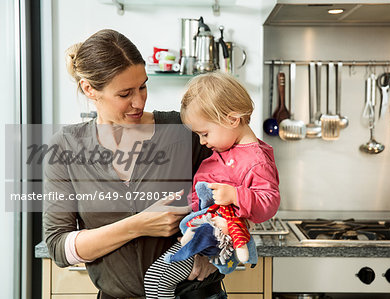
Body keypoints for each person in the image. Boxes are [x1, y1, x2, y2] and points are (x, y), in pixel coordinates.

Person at [43, 29, 225, 299]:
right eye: (125, 93)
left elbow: (243, 184)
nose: (139, 101)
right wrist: (138, 224)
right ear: (89, 89)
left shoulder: (184, 131)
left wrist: (215, 248)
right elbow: (59, 247)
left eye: (143, 86)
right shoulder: (66, 147)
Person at [144, 72, 280, 299]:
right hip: (203, 231)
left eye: (204, 133)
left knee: (156, 279)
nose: (202, 142)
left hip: (219, 237)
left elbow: (270, 201)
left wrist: (236, 195)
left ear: (232, 120)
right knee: (157, 282)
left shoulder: (255, 160)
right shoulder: (226, 150)